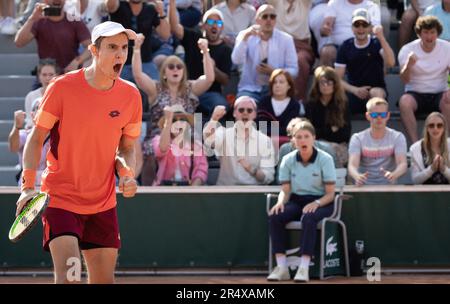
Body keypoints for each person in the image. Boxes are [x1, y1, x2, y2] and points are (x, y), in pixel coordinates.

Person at [15, 21, 142, 284]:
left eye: (123, 48)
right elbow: (37, 138)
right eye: (111, 47)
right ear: (94, 51)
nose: (119, 54)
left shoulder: (131, 96)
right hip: (61, 200)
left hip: (103, 204)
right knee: (70, 278)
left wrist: (127, 173)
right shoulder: (61, 88)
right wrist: (28, 186)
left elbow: (126, 148)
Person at [132, 33, 214, 185]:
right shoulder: (156, 89)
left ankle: (193, 185)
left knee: (198, 147)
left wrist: (205, 51)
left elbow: (209, 79)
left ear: (183, 72)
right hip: (159, 137)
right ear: (164, 73)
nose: (175, 69)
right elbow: (137, 75)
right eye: (171, 66)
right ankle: (150, 190)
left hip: (186, 137)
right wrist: (136, 48)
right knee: (150, 150)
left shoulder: (191, 88)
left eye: (179, 66)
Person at [267, 119, 336, 282]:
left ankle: (303, 268)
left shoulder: (325, 159)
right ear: (293, 140)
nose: (302, 140)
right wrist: (280, 202)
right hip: (297, 201)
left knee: (309, 217)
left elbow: (330, 194)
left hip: (322, 201)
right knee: (275, 216)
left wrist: (316, 203)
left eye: (306, 136)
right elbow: (285, 190)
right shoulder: (287, 160)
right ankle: (281, 267)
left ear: (313, 138)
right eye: (298, 137)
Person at [169, 2, 232, 119]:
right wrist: (172, 3)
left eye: (218, 23)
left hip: (211, 94)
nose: (214, 26)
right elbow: (174, 27)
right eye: (210, 22)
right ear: (203, 25)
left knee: (221, 106)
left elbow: (225, 80)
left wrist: (213, 69)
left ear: (222, 27)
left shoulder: (226, 49)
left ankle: (209, 133)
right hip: (190, 90)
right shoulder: (193, 37)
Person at [398, 16, 450, 143]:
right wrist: (408, 65)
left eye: (432, 32)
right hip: (415, 93)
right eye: (425, 32)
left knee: (449, 99)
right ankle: (415, 145)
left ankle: (446, 144)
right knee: (404, 102)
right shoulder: (407, 50)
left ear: (438, 33)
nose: (429, 36)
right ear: (419, 34)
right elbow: (405, 80)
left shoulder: (447, 48)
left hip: (440, 92)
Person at [231, 4, 298, 102]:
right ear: (257, 20)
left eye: (272, 16)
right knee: (243, 104)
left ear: (275, 20)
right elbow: (236, 60)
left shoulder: (286, 39)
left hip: (276, 90)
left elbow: (294, 70)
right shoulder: (245, 35)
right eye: (265, 16)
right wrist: (245, 38)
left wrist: (274, 72)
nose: (269, 20)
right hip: (250, 88)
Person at [203, 96, 276, 185]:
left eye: (249, 110)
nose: (245, 113)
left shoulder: (265, 141)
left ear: (255, 114)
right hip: (226, 191)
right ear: (234, 113)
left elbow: (268, 177)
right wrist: (214, 119)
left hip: (252, 193)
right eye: (241, 110)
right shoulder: (223, 134)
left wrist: (251, 170)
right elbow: (208, 140)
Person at [335, 8, 395, 115]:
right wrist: (355, 90)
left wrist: (381, 38)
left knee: (375, 93)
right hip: (353, 92)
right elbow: (337, 78)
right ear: (352, 27)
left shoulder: (377, 43)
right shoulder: (345, 46)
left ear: (370, 27)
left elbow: (391, 63)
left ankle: (378, 125)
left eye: (364, 25)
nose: (361, 28)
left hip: (377, 89)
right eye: (357, 25)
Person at [14, 0, 92, 73]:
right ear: (45, 0)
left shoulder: (74, 20)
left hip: (69, 74)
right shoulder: (38, 20)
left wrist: (77, 61)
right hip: (47, 77)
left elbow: (91, 46)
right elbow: (19, 43)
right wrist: (32, 19)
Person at [348, 97, 408, 185]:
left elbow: (402, 164)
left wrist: (393, 175)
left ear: (387, 116)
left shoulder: (398, 137)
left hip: (389, 187)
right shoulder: (357, 138)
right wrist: (357, 176)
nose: (379, 118)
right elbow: (352, 165)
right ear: (368, 116)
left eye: (383, 115)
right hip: (364, 187)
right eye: (375, 115)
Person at [106, 0, 170, 81]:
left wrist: (162, 13)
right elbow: (110, 6)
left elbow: (165, 35)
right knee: (114, 91)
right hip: (120, 64)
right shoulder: (118, 5)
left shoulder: (150, 8)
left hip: (145, 63)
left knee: (156, 91)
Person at [267, 0, 315, 102]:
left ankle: (298, 101)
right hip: (279, 45)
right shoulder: (275, 2)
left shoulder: (304, 3)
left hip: (301, 46)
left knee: (300, 61)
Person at [305, 66, 351, 168]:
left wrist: (322, 132)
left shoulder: (342, 103)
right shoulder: (311, 104)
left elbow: (345, 134)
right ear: (317, 84)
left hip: (338, 145)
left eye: (329, 83)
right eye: (322, 82)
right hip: (316, 144)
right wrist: (331, 130)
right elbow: (310, 131)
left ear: (335, 84)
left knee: (332, 151)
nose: (325, 86)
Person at [153, 104, 208, 185]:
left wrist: (193, 190)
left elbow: (201, 169)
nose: (178, 123)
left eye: (182, 120)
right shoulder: (158, 139)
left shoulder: (195, 145)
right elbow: (162, 149)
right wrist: (168, 121)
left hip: (189, 189)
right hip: (163, 189)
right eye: (174, 120)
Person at [319, 0, 381, 66]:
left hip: (363, 46)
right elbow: (325, 26)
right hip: (338, 47)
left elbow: (375, 30)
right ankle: (327, 76)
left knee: (380, 52)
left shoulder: (372, 6)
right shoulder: (334, 3)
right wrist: (325, 29)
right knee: (327, 52)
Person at [8, 98, 49, 187]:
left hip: (49, 186)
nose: (41, 111)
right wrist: (17, 127)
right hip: (28, 186)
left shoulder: (56, 137)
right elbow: (13, 147)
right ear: (32, 114)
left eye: (45, 108)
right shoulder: (25, 134)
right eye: (38, 108)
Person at [257, 69, 301, 142]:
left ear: (289, 86)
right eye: (275, 82)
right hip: (264, 140)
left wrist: (272, 130)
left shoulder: (294, 105)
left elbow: (289, 129)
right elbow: (262, 127)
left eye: (281, 82)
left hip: (286, 142)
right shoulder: (263, 102)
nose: (277, 85)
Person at [410, 112, 450, 184]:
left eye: (439, 125)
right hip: (425, 193)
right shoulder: (415, 148)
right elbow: (415, 180)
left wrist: (444, 169)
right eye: (431, 125)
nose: (435, 128)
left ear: (444, 128)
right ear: (427, 128)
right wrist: (431, 169)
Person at [24, 58, 59, 129]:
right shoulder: (31, 96)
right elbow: (29, 120)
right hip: (36, 133)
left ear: (57, 76)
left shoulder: (63, 95)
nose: (47, 78)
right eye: (44, 75)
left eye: (51, 74)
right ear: (39, 76)